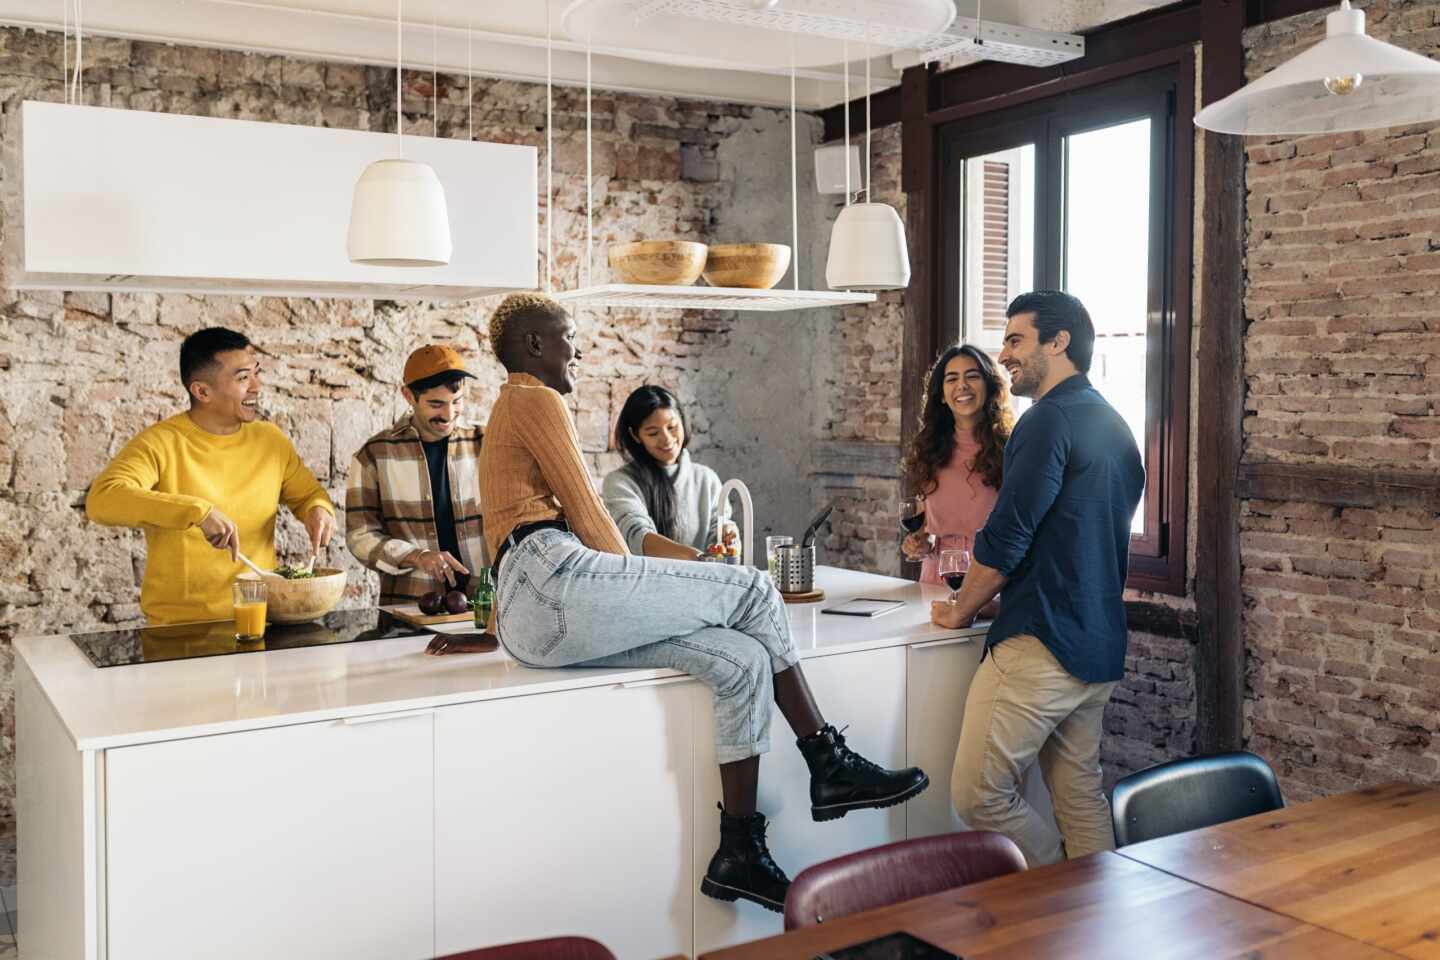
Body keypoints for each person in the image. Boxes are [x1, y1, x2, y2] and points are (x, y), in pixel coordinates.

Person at [475, 292, 928, 913]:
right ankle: (828, 760)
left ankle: (738, 850)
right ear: (533, 344)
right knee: (754, 586)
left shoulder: (512, 406)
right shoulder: (535, 396)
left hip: (537, 607)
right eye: (568, 336)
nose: (577, 349)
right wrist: (631, 579)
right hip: (550, 580)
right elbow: (588, 511)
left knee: (739, 660)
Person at [931, 291, 1144, 867]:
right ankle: (1091, 925)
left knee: (978, 796)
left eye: (1016, 340)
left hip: (1041, 642)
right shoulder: (1114, 424)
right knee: (1079, 797)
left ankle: (1057, 889)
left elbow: (1007, 536)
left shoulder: (1047, 420)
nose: (1004, 355)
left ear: (1060, 343)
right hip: (1098, 645)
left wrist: (961, 610)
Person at [86, 327, 335, 625]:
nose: (256, 386)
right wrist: (197, 512)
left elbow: (308, 495)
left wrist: (318, 510)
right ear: (202, 391)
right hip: (182, 631)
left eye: (257, 373)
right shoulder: (161, 443)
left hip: (260, 620)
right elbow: (103, 499)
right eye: (243, 378)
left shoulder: (271, 440)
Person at [346, 344, 489, 606]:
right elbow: (360, 536)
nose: (448, 415)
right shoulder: (373, 455)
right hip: (409, 607)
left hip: (484, 607)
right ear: (408, 396)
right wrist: (416, 556)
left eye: (456, 402)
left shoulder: (488, 443)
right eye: (436, 404)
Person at [900, 344, 1014, 605]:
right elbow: (931, 525)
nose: (962, 385)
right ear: (941, 394)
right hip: (936, 577)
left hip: (989, 578)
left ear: (990, 386)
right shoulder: (929, 448)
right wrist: (922, 542)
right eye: (952, 379)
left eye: (972, 376)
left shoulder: (1013, 447)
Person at [603, 385, 734, 560]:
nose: (667, 439)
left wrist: (727, 538)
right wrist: (698, 558)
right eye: (653, 433)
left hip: (705, 583)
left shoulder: (707, 479)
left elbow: (719, 543)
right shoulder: (620, 482)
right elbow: (636, 537)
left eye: (672, 427)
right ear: (635, 436)